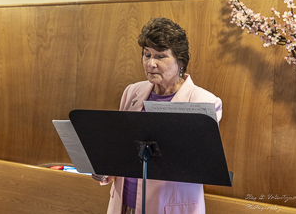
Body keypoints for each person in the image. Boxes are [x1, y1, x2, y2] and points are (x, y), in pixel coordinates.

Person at [92, 17, 222, 214]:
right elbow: (122, 148)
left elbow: (195, 162)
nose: (150, 63)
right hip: (124, 205)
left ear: (180, 60)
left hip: (168, 208)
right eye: (146, 55)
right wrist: (105, 165)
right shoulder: (132, 92)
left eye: (160, 56)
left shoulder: (204, 102)